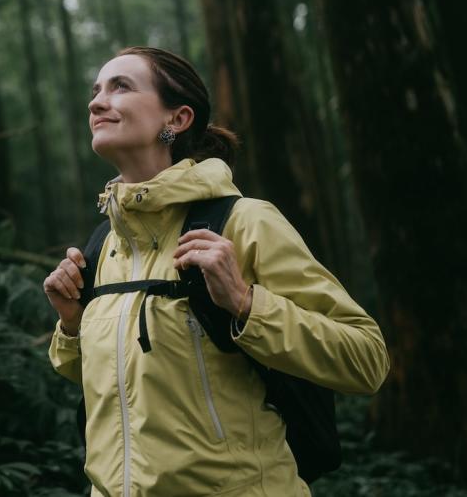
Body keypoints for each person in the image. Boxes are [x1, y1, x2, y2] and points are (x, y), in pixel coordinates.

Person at [43, 46, 389, 496]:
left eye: (120, 86)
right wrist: (72, 324)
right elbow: (114, 385)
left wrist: (246, 305)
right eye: (95, 90)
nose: (96, 101)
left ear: (177, 119)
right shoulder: (103, 245)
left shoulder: (245, 222)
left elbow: (367, 359)